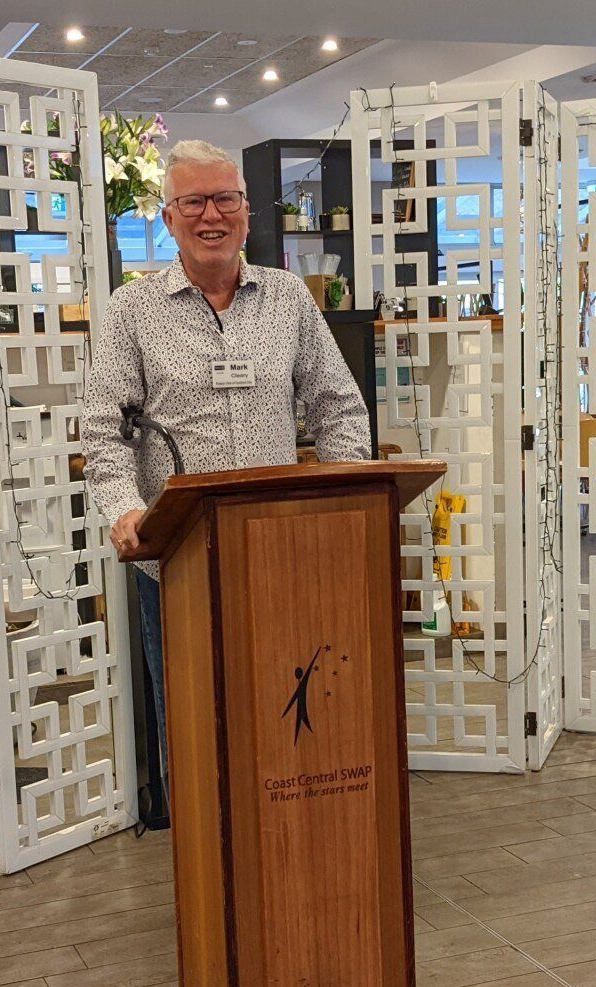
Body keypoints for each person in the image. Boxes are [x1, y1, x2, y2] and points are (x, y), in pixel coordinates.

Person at [80, 140, 372, 796]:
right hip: (180, 560)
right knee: (195, 728)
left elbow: (339, 409)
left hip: (280, 553)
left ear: (246, 211)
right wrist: (125, 510)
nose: (212, 214)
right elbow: (103, 432)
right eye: (194, 201)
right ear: (167, 216)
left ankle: (286, 848)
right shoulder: (131, 312)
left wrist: (345, 497)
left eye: (226, 199)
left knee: (288, 721)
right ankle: (208, 874)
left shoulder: (289, 299)